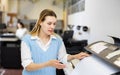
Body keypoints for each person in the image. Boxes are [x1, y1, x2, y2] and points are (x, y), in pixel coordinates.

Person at [21, 9, 89, 75]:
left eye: (54, 24)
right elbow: (27, 66)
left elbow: (62, 57)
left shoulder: (57, 40)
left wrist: (75, 56)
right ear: (40, 22)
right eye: (49, 23)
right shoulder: (27, 40)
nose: (52, 27)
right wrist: (47, 64)